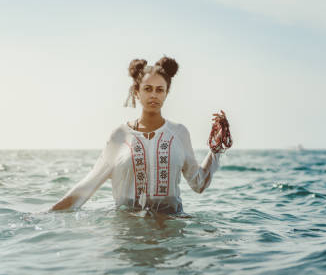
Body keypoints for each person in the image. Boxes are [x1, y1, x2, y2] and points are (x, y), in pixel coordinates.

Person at [50, 56, 230, 214]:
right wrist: (48, 213)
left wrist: (217, 148)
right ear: (137, 92)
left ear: (167, 93)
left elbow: (199, 183)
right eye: (148, 88)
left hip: (170, 232)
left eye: (160, 90)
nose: (154, 95)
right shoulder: (119, 135)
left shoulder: (179, 133)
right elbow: (88, 186)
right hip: (129, 232)